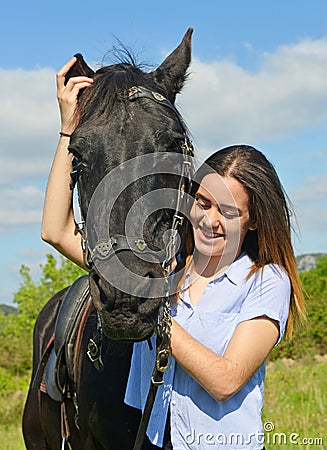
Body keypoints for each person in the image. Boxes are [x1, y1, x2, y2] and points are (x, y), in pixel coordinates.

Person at [43, 57, 305, 450]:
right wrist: (70, 128)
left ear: (253, 222)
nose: (209, 220)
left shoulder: (265, 281)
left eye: (228, 212)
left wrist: (149, 306)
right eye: (202, 202)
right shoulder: (164, 268)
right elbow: (56, 230)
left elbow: (225, 380)